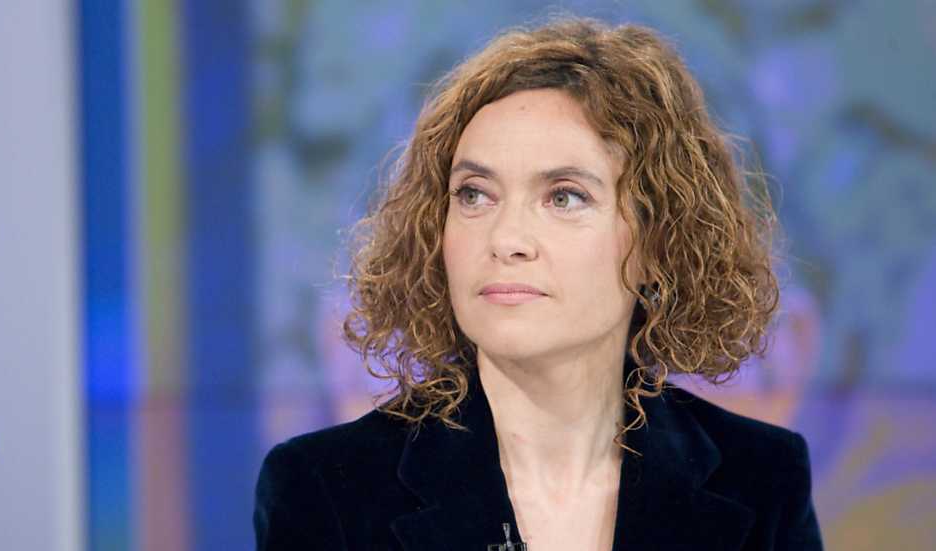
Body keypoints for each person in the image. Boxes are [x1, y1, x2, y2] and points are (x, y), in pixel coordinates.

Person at [254, 16, 823, 551]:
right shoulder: (327, 488)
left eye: (564, 197)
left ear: (658, 242)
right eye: (474, 194)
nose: (506, 239)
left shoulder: (762, 479)